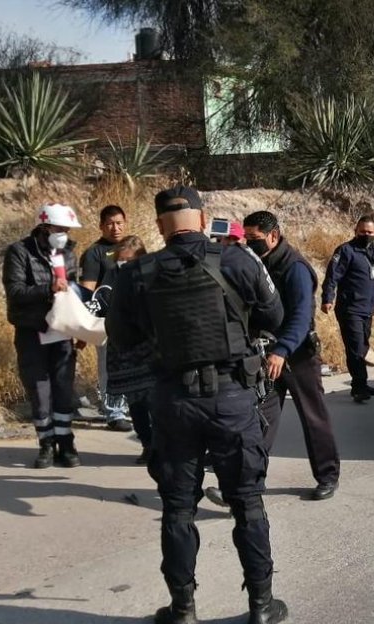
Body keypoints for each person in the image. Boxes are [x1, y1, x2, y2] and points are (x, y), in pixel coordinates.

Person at [106, 186, 287, 624]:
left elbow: (123, 337)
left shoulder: (136, 273)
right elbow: (274, 316)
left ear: (158, 226)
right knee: (247, 503)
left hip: (173, 402)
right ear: (203, 221)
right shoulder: (239, 260)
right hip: (232, 399)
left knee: (178, 508)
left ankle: (183, 609)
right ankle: (261, 607)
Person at [243, 210, 340, 501]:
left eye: (255, 239)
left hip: (297, 355)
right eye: (246, 239)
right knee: (261, 420)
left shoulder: (294, 267)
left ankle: (327, 476)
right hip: (270, 355)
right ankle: (248, 484)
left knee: (314, 417)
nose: (250, 245)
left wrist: (282, 350)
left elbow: (300, 317)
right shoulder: (259, 263)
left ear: (274, 236)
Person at [2, 203, 86, 469]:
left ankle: (66, 442)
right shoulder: (19, 252)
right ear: (44, 227)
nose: (64, 234)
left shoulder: (69, 255)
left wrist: (81, 327)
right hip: (32, 332)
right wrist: (47, 289)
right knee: (40, 390)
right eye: (60, 228)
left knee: (63, 389)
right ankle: (46, 443)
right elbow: (15, 292)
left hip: (62, 333)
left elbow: (73, 293)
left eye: (67, 229)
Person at [321, 215, 374, 403]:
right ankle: (359, 387)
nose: (366, 235)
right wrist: (327, 298)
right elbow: (332, 276)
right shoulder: (346, 251)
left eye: (370, 232)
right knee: (356, 348)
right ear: (355, 231)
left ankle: (362, 383)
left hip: (368, 309)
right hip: (349, 308)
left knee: (363, 346)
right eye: (363, 232)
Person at [80, 205, 133, 432]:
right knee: (109, 367)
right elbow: (87, 289)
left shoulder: (132, 247)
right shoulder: (95, 253)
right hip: (107, 321)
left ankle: (130, 406)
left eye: (119, 222)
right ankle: (114, 412)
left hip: (134, 320)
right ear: (101, 226)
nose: (116, 227)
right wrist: (84, 326)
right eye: (110, 223)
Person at [104, 235, 156, 465]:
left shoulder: (152, 278)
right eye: (121, 260)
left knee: (154, 402)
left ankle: (160, 445)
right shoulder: (112, 277)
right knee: (135, 404)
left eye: (129, 260)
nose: (124, 265)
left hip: (147, 351)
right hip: (122, 352)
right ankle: (147, 444)